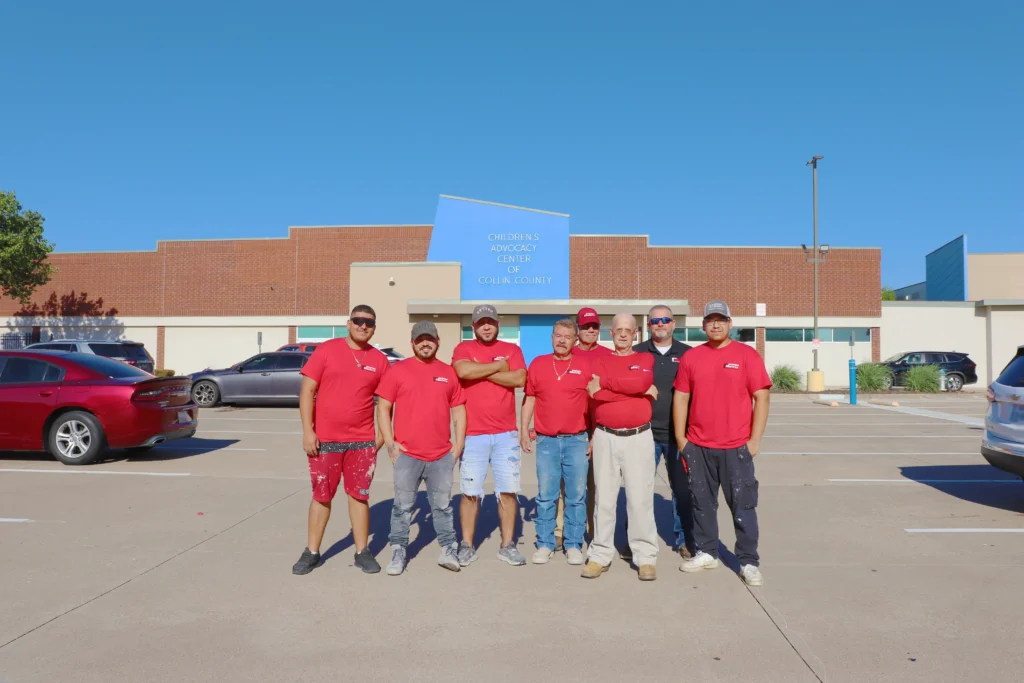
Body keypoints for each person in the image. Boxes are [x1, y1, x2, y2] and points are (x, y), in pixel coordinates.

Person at [673, 300, 771, 587]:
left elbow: (762, 397)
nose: (716, 324)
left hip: (736, 447)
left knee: (743, 505)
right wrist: (682, 439)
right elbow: (681, 397)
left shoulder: (746, 355)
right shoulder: (692, 358)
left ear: (730, 323)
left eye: (721, 319)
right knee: (701, 503)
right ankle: (707, 552)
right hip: (699, 446)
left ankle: (748, 561)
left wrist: (754, 440)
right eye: (710, 320)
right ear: (703, 325)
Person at [292, 305, 388, 576]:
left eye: (369, 322)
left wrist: (380, 438)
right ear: (348, 323)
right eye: (358, 321)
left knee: (359, 496)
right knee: (321, 496)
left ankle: (362, 552)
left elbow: (387, 402)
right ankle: (311, 552)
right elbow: (307, 390)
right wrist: (308, 431)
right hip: (325, 441)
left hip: (361, 443)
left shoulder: (379, 360)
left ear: (374, 327)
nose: (363, 326)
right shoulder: (326, 350)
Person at [375, 321, 467, 575]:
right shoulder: (397, 371)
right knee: (402, 507)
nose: (424, 343)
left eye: (429, 339)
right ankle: (398, 551)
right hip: (408, 455)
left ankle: (448, 549)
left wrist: (458, 444)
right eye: (419, 339)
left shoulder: (448, 373)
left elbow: (458, 408)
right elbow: (383, 408)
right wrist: (391, 444)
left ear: (437, 341)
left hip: (441, 456)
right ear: (412, 343)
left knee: (442, 506)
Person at [582, 313, 659, 581]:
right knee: (604, 498)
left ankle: (645, 556)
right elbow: (596, 394)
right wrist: (635, 389)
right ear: (611, 333)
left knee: (639, 499)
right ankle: (600, 554)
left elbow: (638, 382)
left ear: (636, 333)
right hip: (606, 436)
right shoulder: (599, 360)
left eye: (628, 330)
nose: (623, 334)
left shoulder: (644, 358)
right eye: (619, 330)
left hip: (639, 437)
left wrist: (606, 383)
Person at [452, 304, 528, 567]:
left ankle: (507, 545)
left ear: (498, 324)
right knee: (470, 492)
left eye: (491, 322)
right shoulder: (463, 349)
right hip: (473, 435)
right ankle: (466, 544)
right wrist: (498, 368)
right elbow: (462, 372)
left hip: (506, 434)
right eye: (481, 322)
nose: (486, 326)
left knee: (508, 491)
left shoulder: (512, 350)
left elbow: (519, 379)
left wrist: (481, 371)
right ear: (473, 326)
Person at [520, 318, 592, 566]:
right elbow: (529, 399)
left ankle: (573, 544)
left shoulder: (585, 365)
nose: (561, 340)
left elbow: (594, 403)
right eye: (557, 335)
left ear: (575, 340)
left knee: (576, 496)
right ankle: (545, 543)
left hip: (577, 440)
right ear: (551, 338)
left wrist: (593, 436)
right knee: (546, 496)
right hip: (547, 442)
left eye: (566, 336)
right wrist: (522, 430)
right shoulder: (538, 364)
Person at [631, 305, 695, 560]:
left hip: (678, 435)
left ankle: (685, 539)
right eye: (654, 320)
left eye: (665, 320)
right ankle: (634, 539)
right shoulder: (636, 353)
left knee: (681, 491)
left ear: (673, 324)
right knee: (638, 490)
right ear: (648, 325)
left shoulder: (689, 354)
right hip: (643, 433)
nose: (660, 324)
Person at [552, 306, 612, 549]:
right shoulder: (568, 353)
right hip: (572, 429)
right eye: (585, 326)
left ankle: (593, 530)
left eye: (594, 326)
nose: (590, 330)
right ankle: (560, 529)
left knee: (597, 484)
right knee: (566, 484)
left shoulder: (608, 355)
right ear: (577, 330)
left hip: (600, 428)